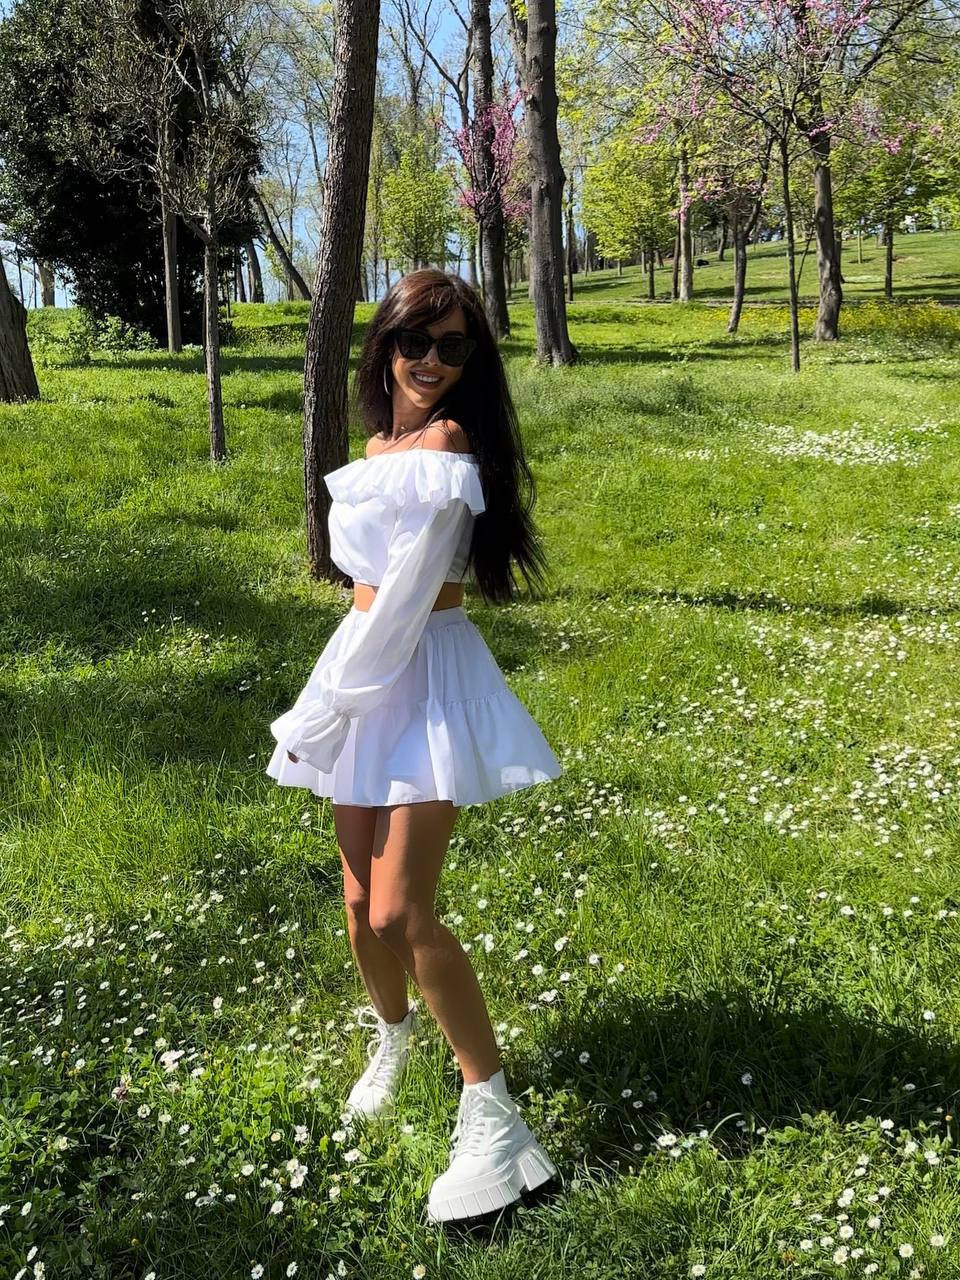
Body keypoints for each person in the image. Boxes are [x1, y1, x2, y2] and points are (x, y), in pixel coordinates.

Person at [266, 268, 562, 1225]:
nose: (432, 361)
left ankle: (496, 1117)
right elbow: (359, 588)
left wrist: (329, 705)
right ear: (385, 345)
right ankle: (392, 1037)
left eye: (454, 346)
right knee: (359, 906)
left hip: (418, 669)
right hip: (361, 660)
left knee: (400, 908)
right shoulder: (377, 446)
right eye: (416, 341)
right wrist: (338, 689)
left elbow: (404, 598)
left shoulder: (444, 445)